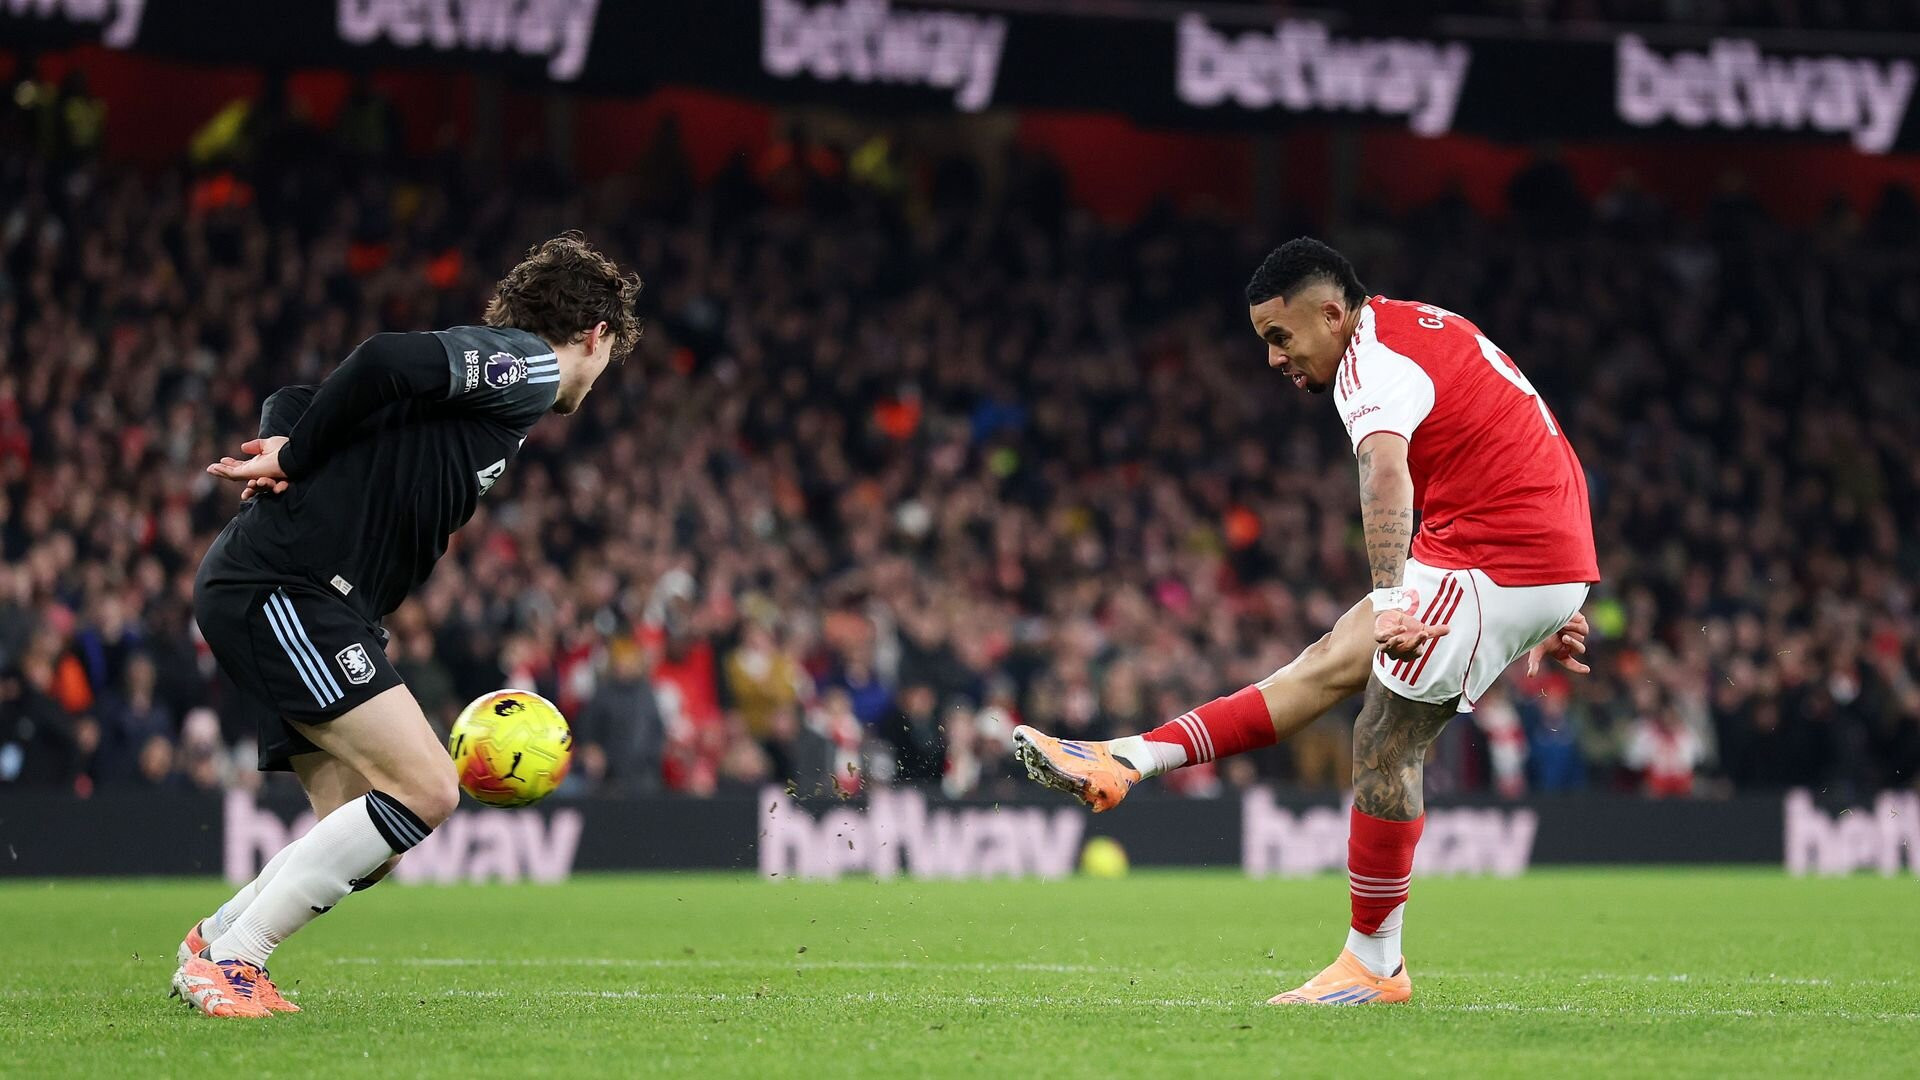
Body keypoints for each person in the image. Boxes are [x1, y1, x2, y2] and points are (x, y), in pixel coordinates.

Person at [1013, 237, 1597, 1006]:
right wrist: (1557, 593)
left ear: (1330, 313)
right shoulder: (1418, 325)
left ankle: (1374, 965)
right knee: (1323, 666)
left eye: (1280, 336)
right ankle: (1125, 760)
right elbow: (1523, 428)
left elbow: (1384, 472)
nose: (1273, 358)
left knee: (1385, 738)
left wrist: (1399, 602)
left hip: (1497, 552)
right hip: (1517, 544)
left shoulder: (1368, 364)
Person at [170, 233, 643, 1019]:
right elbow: (384, 358)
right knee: (426, 788)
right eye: (609, 357)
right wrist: (299, 453)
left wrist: (288, 438)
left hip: (313, 598)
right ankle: (233, 962)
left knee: (364, 830)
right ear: (596, 335)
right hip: (289, 589)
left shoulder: (481, 392)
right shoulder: (529, 368)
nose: (598, 378)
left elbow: (295, 395)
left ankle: (213, 939)